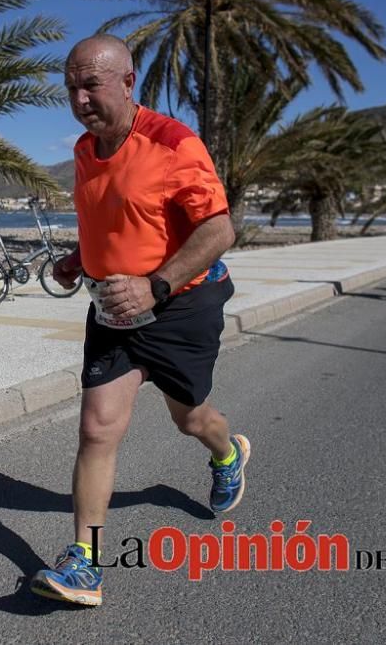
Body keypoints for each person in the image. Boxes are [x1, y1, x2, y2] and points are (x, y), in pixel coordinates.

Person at [29, 34, 248, 607]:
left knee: (192, 419)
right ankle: (85, 562)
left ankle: (228, 454)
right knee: (97, 428)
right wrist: (81, 260)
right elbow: (110, 217)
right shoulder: (83, 150)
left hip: (179, 305)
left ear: (127, 83)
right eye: (71, 86)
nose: (79, 98)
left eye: (90, 84)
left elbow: (220, 231)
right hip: (112, 308)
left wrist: (155, 285)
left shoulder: (173, 143)